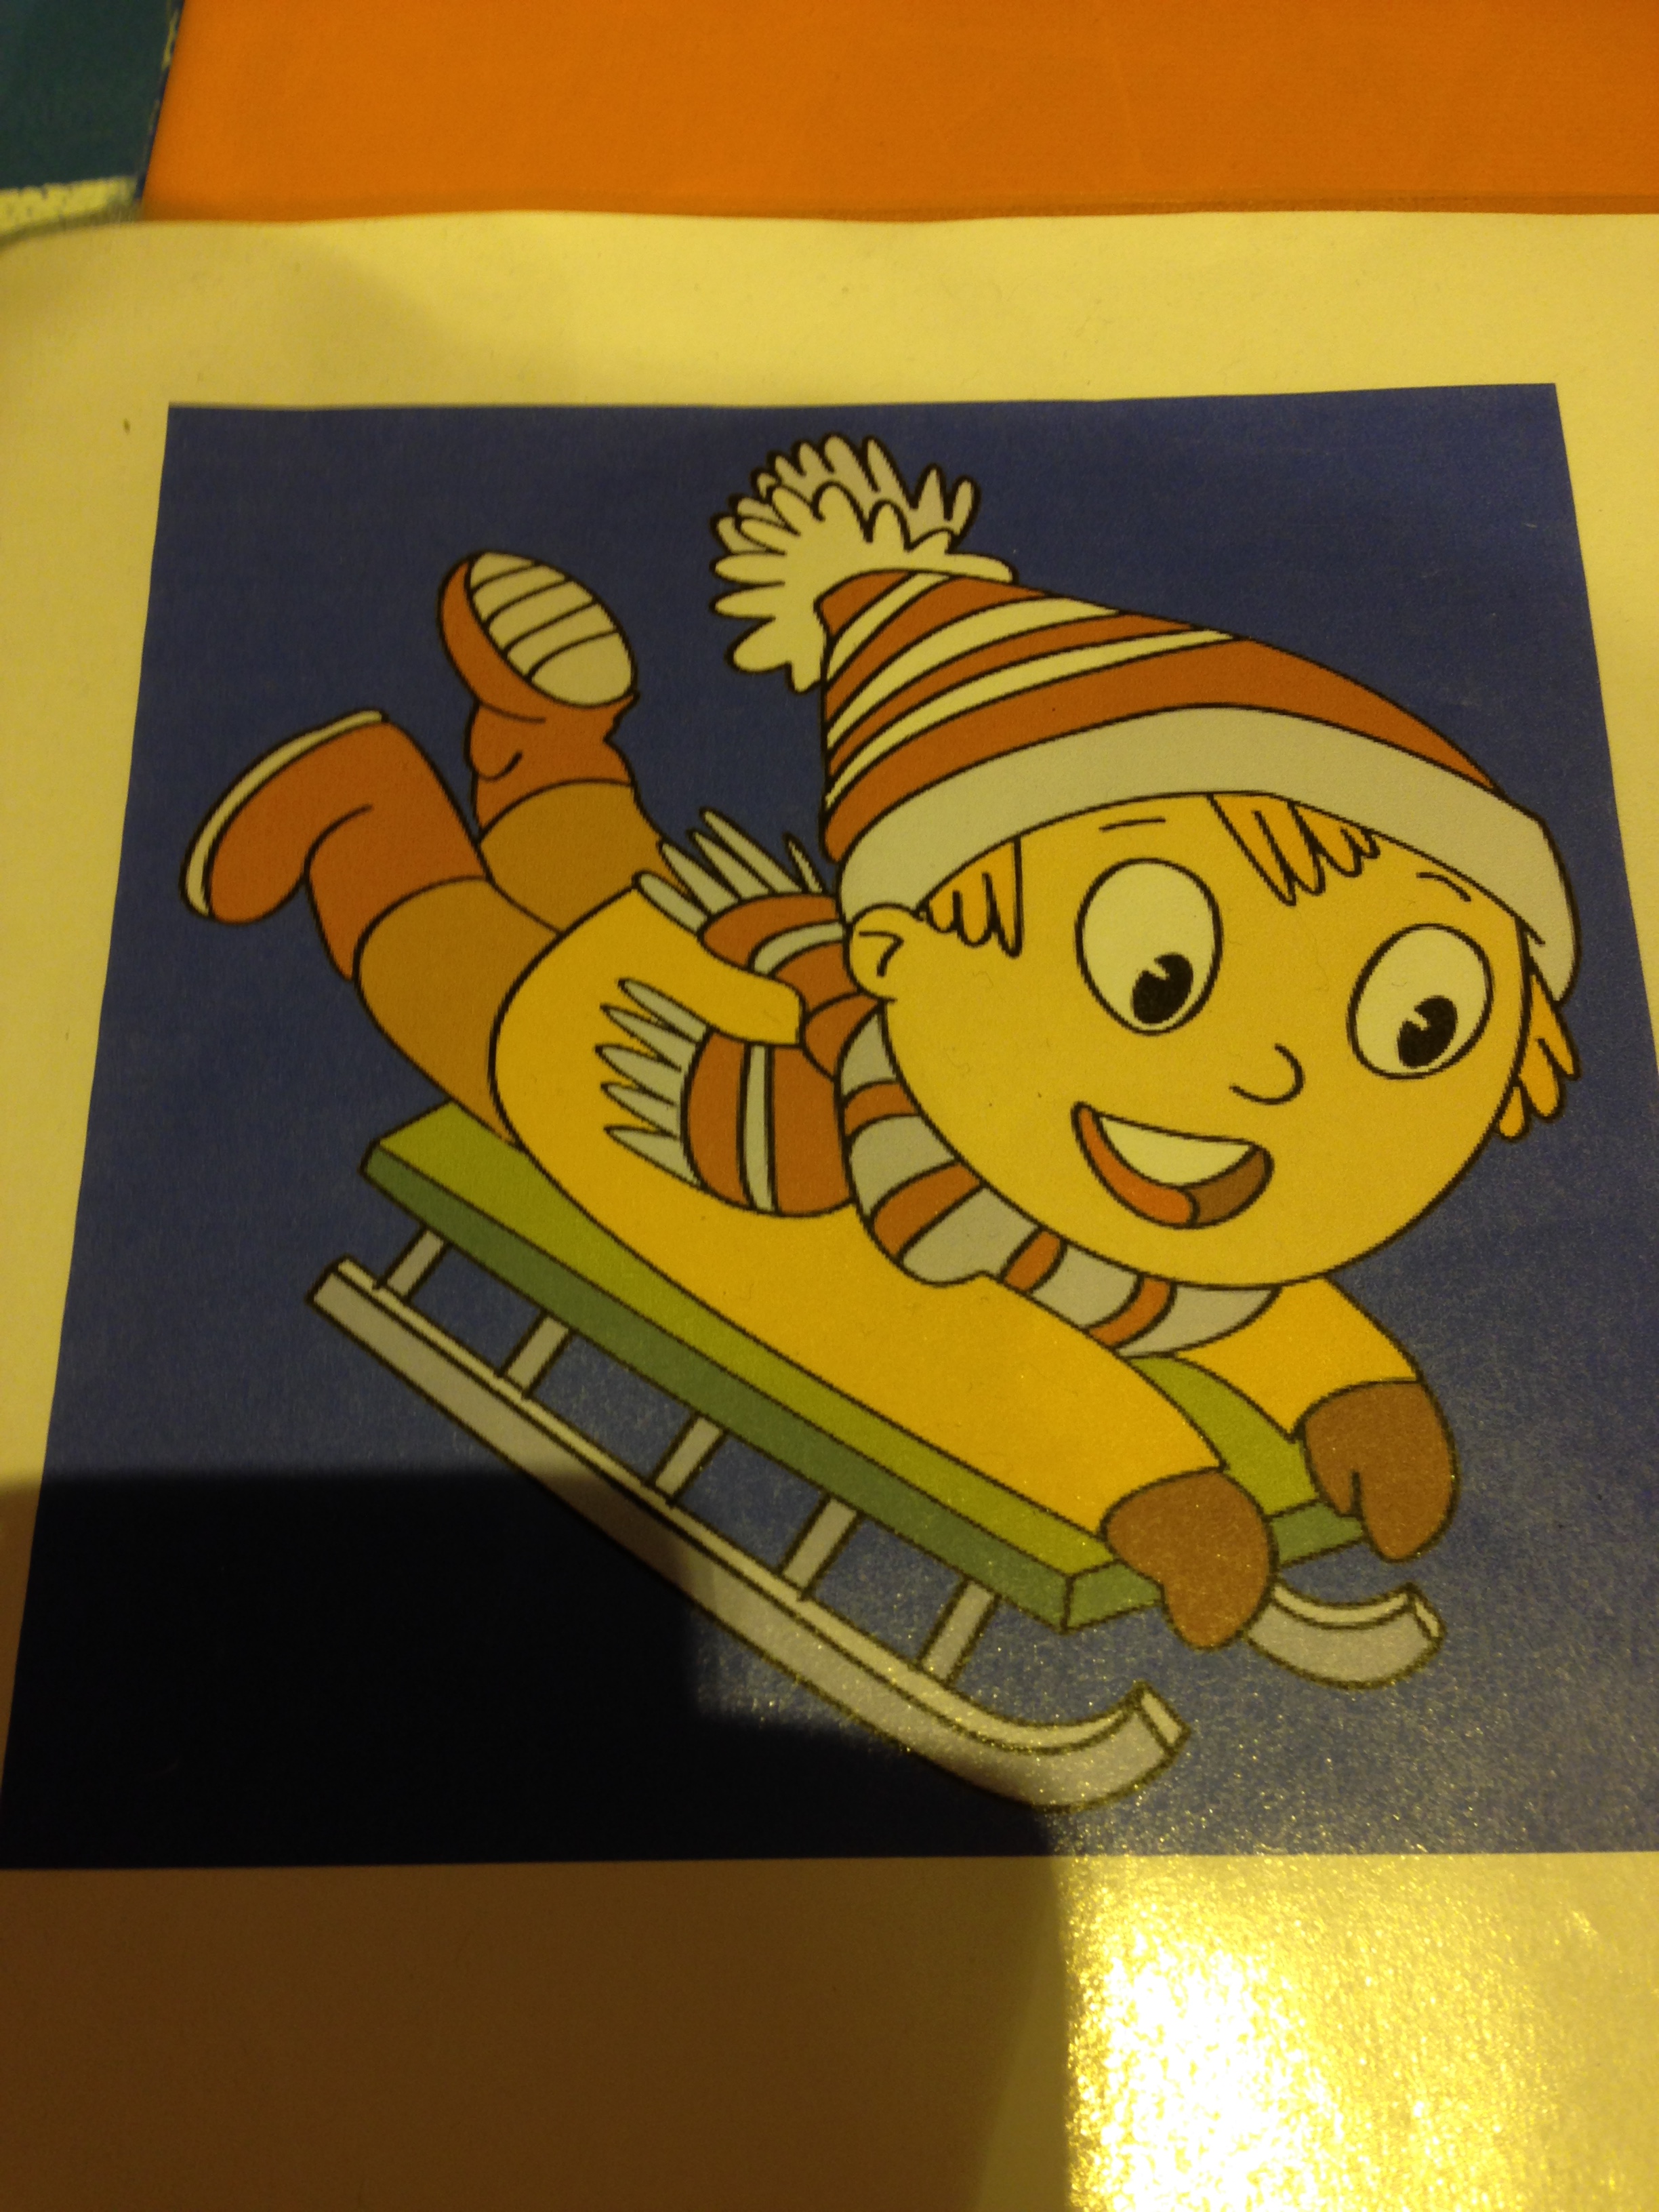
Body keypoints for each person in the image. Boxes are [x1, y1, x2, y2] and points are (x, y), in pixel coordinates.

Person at [184, 436, 1578, 1650]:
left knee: (622, 874)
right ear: (908, 949)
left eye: (1423, 1020)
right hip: (641, 1075)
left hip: (777, 960)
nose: (1276, 1076)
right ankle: (366, 809)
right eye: (1160, 976)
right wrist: (1151, 1486)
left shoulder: (1158, 1175)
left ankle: (547, 739)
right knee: (460, 972)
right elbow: (951, 1350)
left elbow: (1245, 1291)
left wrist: (1357, 1389)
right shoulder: (916, 1198)